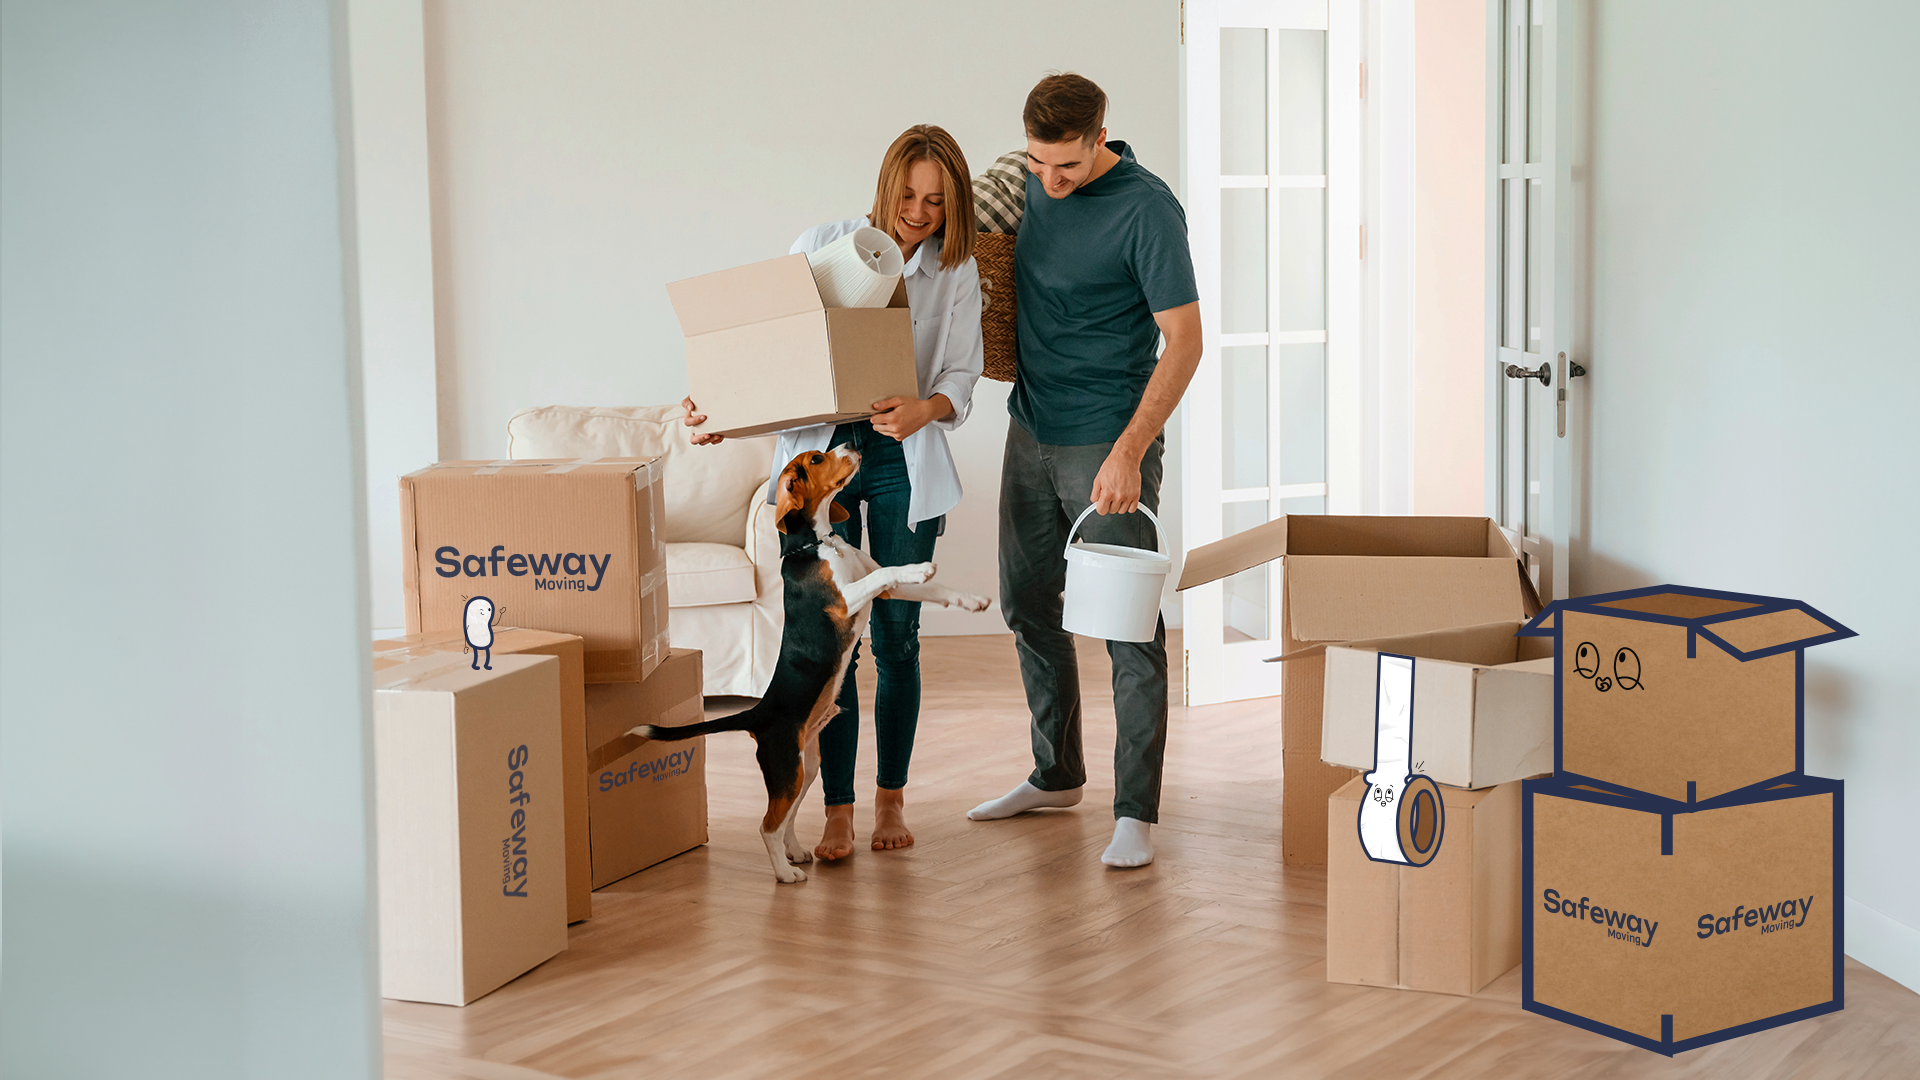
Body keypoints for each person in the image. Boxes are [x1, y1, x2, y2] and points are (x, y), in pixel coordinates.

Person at [683, 125, 984, 861]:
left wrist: (926, 410)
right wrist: (717, 411)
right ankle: (840, 811)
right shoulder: (823, 242)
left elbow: (962, 378)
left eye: (937, 202)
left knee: (897, 642)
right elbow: (767, 350)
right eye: (909, 195)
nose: (919, 213)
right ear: (886, 186)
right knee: (833, 640)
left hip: (905, 460)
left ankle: (891, 801)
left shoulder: (957, 269)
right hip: (827, 465)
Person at [965, 74, 1202, 869]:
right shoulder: (1021, 186)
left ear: (1100, 138)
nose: (1050, 182)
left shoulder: (1147, 210)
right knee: (1029, 605)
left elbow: (1187, 342)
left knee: (1127, 626)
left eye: (1065, 166)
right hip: (1030, 427)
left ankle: (1135, 811)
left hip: (1107, 441)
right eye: (1039, 164)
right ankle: (1057, 773)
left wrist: (1130, 452)